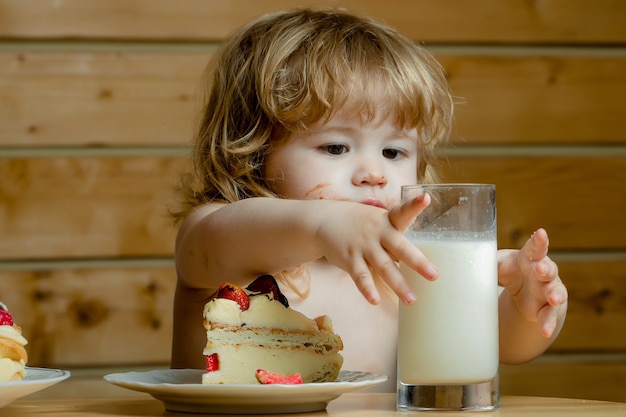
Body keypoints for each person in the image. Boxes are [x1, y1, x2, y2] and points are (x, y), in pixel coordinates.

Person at [169, 8, 568, 391]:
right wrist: (323, 223)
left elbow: (498, 342)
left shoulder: (405, 270)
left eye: (393, 153)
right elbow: (218, 240)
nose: (374, 173)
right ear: (254, 152)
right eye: (337, 147)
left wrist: (526, 306)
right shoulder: (218, 240)